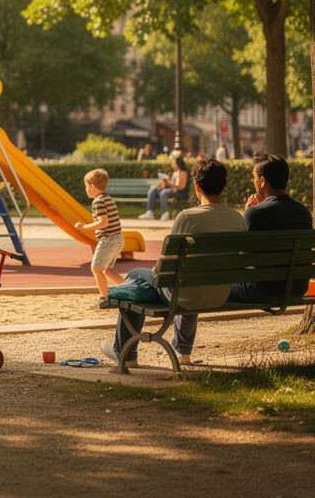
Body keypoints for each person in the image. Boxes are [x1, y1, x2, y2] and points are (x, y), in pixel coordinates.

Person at [103, 157, 243, 368]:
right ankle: (182, 352)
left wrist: (153, 272)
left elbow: (166, 262)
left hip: (183, 293)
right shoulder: (237, 218)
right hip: (219, 293)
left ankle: (125, 352)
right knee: (190, 278)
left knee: (136, 275)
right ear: (223, 185)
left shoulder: (187, 218)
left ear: (196, 186)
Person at [230, 153, 314, 301]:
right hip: (298, 289)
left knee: (218, 287)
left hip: (263, 290)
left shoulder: (254, 213)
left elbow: (242, 258)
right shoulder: (304, 212)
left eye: (254, 178)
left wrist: (249, 212)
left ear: (262, 181)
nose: (254, 182)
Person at [75, 169, 126, 299]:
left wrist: (84, 227)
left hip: (108, 239)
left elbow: (103, 222)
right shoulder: (108, 199)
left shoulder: (98, 202)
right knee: (107, 269)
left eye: (86, 186)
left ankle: (104, 298)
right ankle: (128, 288)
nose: (86, 189)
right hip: (118, 238)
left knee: (96, 269)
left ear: (92, 186)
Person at [139, 155, 189, 220]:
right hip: (172, 190)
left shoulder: (183, 173)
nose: (172, 165)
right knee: (152, 191)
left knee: (164, 193)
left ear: (178, 164)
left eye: (174, 164)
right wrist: (164, 183)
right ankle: (150, 212)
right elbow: (172, 184)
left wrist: (169, 183)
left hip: (180, 193)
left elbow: (181, 187)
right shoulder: (175, 173)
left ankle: (165, 213)